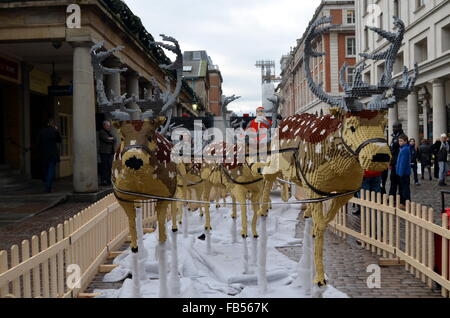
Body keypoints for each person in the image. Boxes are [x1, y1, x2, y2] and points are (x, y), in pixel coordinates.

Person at [37, 118, 62, 193]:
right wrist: (57, 131)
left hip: (44, 154)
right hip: (52, 154)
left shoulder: (41, 131)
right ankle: (48, 187)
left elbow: (38, 143)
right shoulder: (54, 131)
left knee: (45, 170)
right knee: (51, 171)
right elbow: (59, 140)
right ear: (51, 124)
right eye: (53, 123)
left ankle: (47, 186)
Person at [389, 123, 404, 197]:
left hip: (399, 162)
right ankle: (392, 196)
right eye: (393, 127)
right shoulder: (394, 137)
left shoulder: (402, 137)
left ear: (400, 128)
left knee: (400, 181)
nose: (394, 129)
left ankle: (401, 197)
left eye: (395, 127)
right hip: (394, 162)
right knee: (393, 180)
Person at [99, 120, 116, 186]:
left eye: (109, 126)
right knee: (104, 167)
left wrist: (111, 139)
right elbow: (106, 139)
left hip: (110, 152)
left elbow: (114, 139)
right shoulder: (102, 132)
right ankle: (104, 181)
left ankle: (109, 180)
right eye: (108, 126)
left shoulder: (109, 133)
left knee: (110, 167)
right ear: (104, 126)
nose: (109, 127)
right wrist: (110, 139)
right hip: (104, 152)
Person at [396, 134, 411, 207]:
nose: (400, 142)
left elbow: (403, 163)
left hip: (403, 173)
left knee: (404, 189)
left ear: (405, 141)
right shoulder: (402, 149)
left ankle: (405, 202)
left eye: (401, 141)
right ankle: (403, 202)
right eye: (399, 141)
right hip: (402, 172)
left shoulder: (404, 149)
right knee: (403, 188)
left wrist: (400, 173)